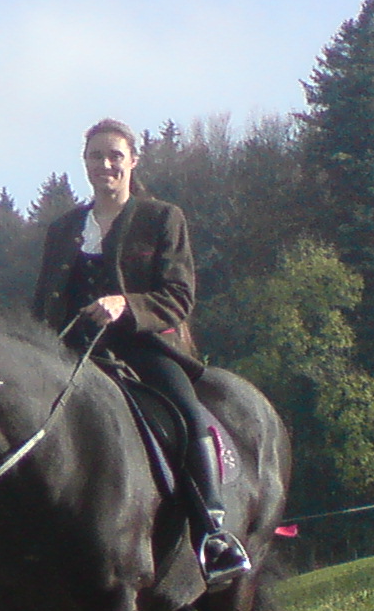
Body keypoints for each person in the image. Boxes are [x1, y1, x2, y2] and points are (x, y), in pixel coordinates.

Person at [33, 118, 251, 585]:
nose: (106, 164)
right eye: (96, 156)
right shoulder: (63, 229)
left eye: (115, 155)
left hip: (143, 348)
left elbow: (178, 297)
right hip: (72, 353)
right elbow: (43, 304)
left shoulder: (162, 218)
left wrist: (125, 305)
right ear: (85, 163)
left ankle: (213, 532)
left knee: (187, 415)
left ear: (133, 161)